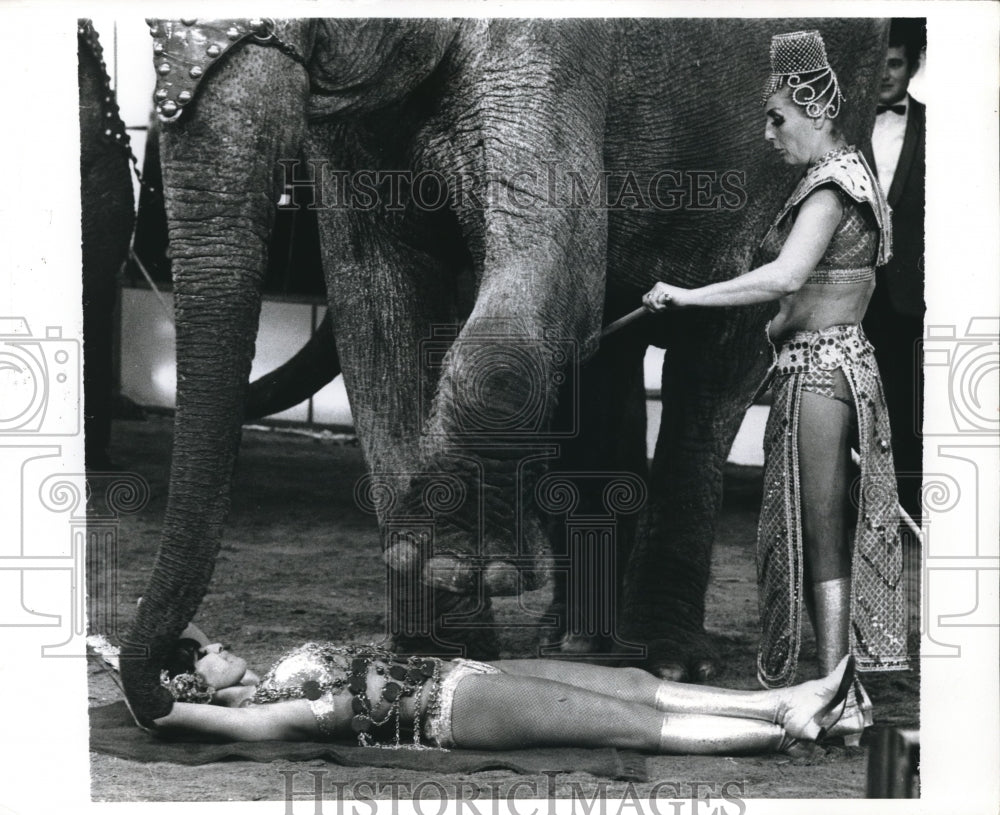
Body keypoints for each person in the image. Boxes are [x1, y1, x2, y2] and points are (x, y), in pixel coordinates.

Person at [641, 30, 908, 745]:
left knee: (821, 533)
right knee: (814, 530)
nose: (767, 133)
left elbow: (786, 278)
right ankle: (835, 686)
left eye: (776, 117)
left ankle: (837, 694)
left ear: (816, 109)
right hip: (821, 369)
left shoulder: (829, 186)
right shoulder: (848, 172)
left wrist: (689, 296)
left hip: (822, 372)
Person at [148, 634, 855, 755]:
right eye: (202, 657)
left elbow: (178, 620)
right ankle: (783, 722)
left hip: (462, 669)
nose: (214, 647)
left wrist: (149, 636)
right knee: (625, 722)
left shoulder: (267, 672)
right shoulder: (272, 711)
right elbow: (169, 710)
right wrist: (146, 680)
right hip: (448, 712)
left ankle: (799, 696)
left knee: (635, 684)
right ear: (192, 686)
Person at [862, 18, 927, 523]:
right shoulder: (847, 126)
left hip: (911, 294)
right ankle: (856, 512)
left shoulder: (938, 127)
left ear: (914, 65)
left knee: (908, 405)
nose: (885, 75)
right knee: (856, 403)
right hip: (854, 291)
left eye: (896, 64)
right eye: (878, 64)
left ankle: (907, 511)